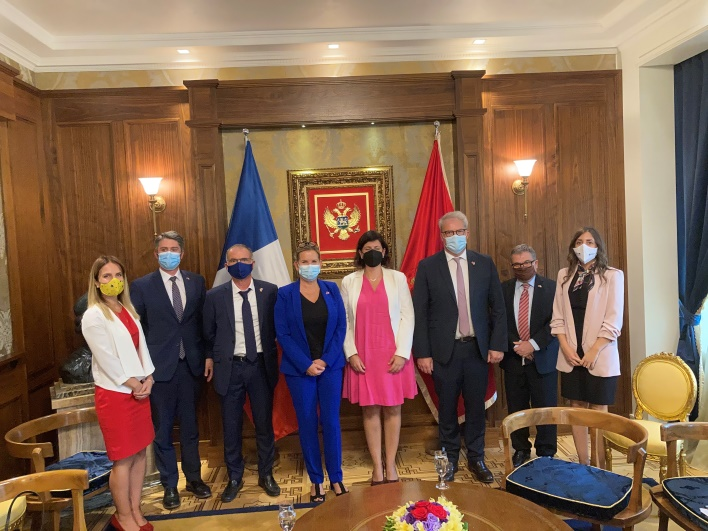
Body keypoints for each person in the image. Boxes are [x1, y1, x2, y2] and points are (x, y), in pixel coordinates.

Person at [412, 211, 506, 484]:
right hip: (445, 352)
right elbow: (420, 312)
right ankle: (450, 457)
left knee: (476, 408)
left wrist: (497, 344)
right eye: (448, 233)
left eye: (458, 232)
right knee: (447, 409)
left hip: (477, 349)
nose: (454, 237)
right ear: (441, 236)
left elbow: (498, 308)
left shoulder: (484, 263)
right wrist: (423, 353)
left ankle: (477, 457)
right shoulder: (428, 266)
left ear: (467, 233)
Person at [130, 231, 211, 509]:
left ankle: (194, 479)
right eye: (164, 249)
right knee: (162, 430)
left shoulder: (196, 282)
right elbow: (137, 331)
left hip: (190, 365)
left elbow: (203, 323)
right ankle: (169, 486)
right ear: (156, 254)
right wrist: (142, 370)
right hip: (158, 369)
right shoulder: (141, 286)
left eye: (174, 249)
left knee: (190, 427)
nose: (169, 253)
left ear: (182, 253)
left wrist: (208, 355)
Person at [81, 256, 155, 531]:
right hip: (116, 394)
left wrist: (149, 378)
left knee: (140, 453)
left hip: (139, 392)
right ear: (96, 282)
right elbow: (106, 358)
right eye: (106, 276)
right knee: (123, 458)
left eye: (118, 275)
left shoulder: (126, 308)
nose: (113, 280)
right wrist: (134, 384)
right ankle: (123, 516)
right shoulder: (93, 315)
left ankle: (135, 509)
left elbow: (140, 348)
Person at [202, 244, 281, 501]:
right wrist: (210, 357)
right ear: (227, 265)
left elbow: (277, 327)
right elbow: (208, 333)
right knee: (231, 426)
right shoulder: (215, 296)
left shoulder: (269, 291)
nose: (240, 264)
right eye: (234, 261)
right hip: (230, 368)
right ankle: (234, 477)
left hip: (260, 366)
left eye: (244, 260)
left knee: (264, 424)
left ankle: (266, 474)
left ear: (253, 263)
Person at [274, 242, 348, 503]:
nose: (309, 266)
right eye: (304, 262)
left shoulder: (331, 289)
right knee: (307, 423)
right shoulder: (285, 294)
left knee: (331, 421)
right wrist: (306, 363)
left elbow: (341, 328)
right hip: (299, 370)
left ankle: (336, 477)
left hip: (330, 367)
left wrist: (325, 360)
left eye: (313, 261)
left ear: (320, 263)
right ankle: (316, 480)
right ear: (296, 265)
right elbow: (282, 333)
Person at [341, 231, 416, 485]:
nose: (372, 252)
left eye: (377, 248)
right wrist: (351, 352)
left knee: (393, 408)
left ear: (384, 252)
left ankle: (391, 465)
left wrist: (402, 353)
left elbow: (408, 316)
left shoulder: (398, 278)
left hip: (392, 355)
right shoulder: (349, 281)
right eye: (367, 249)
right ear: (360, 253)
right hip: (363, 356)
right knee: (370, 409)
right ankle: (377, 467)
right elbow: (344, 321)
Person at [551, 227, 624, 466]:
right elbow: (558, 317)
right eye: (579, 241)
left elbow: (614, 321)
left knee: (598, 409)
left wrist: (594, 351)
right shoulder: (564, 275)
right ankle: (583, 463)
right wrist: (565, 347)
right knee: (577, 407)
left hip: (599, 353)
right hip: (571, 353)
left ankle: (599, 464)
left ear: (598, 246)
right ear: (573, 247)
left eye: (590, 242)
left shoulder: (613, 275)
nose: (584, 246)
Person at [500, 244, 558, 467]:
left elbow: (556, 322)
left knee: (546, 408)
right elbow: (498, 320)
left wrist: (532, 345)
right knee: (517, 408)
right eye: (517, 265)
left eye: (526, 263)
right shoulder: (503, 289)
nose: (522, 268)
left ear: (536, 263)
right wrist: (518, 346)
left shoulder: (552, 288)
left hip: (543, 358)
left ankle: (546, 452)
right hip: (514, 358)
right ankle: (521, 449)